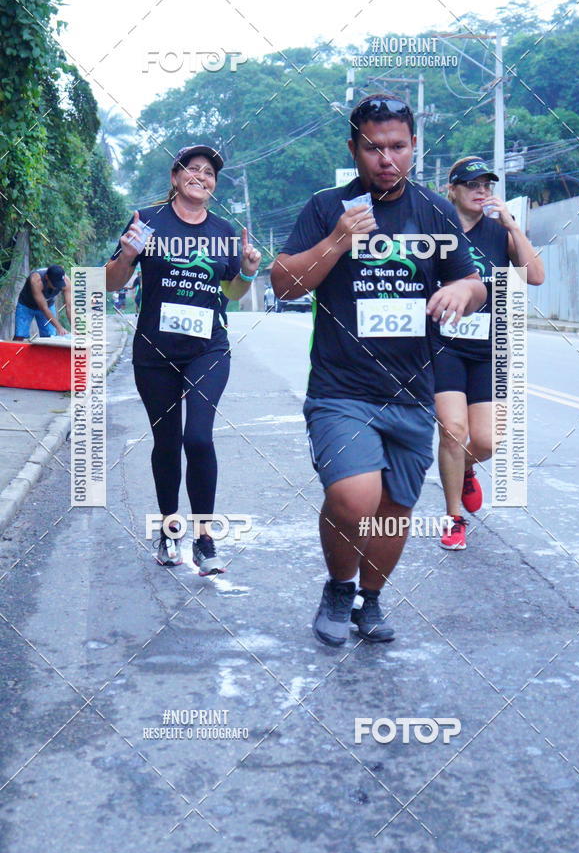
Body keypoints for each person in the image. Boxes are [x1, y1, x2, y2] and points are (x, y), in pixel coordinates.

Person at [271, 95, 486, 646]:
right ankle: (339, 588)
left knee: (394, 510)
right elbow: (285, 285)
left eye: (397, 146)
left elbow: (475, 281)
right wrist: (339, 240)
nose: (386, 158)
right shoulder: (327, 207)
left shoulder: (434, 210)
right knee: (353, 498)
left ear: (414, 148)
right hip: (341, 391)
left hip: (413, 393)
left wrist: (464, 287)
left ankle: (371, 600)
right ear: (354, 149)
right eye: (373, 147)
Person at [106, 144, 261, 572]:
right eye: (192, 169)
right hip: (154, 351)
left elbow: (232, 293)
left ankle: (205, 538)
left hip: (208, 349)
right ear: (175, 178)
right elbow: (110, 281)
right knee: (167, 441)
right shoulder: (148, 221)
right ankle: (169, 530)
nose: (201, 176)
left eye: (209, 172)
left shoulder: (225, 232)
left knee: (198, 437)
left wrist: (247, 270)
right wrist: (129, 254)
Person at [432, 156, 544, 550]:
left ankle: (461, 469)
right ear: (453, 190)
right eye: (472, 185)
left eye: (487, 185)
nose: (481, 191)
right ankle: (453, 518)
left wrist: (512, 225)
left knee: (487, 440)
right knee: (452, 431)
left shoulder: (499, 233)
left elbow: (535, 275)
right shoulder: (436, 229)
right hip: (442, 344)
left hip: (488, 348)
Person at [13, 264, 72, 340]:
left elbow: (69, 306)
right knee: (20, 335)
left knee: (50, 336)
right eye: (55, 284)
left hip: (48, 304)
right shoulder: (36, 279)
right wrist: (59, 327)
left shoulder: (66, 282)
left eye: (59, 283)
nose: (57, 286)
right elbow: (44, 308)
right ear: (47, 277)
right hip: (26, 305)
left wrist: (75, 329)